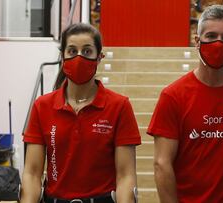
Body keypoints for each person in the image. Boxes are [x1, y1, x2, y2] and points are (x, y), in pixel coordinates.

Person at [147, 5, 223, 203]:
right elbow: (162, 163)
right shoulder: (173, 95)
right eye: (211, 36)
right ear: (197, 41)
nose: (219, 43)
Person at [21, 23, 141, 203]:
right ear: (62, 56)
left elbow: (125, 176)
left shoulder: (119, 106)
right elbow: (31, 173)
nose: (78, 57)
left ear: (99, 57)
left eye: (86, 51)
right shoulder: (42, 106)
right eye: (71, 51)